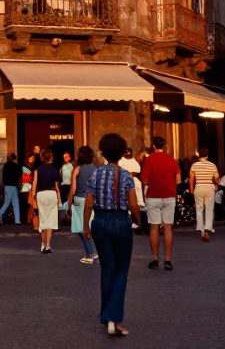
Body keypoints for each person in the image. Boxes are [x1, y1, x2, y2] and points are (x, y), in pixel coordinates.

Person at [83, 133, 140, 336]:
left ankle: (107, 316)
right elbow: (133, 204)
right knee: (121, 270)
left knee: (107, 269)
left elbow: (89, 202)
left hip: (99, 221)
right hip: (120, 222)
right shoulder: (125, 175)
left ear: (103, 152)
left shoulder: (95, 174)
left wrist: (85, 226)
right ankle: (113, 317)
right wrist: (138, 221)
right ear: (122, 153)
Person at [140, 136, 180, 270]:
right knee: (168, 227)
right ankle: (168, 260)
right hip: (169, 196)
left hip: (153, 196)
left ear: (153, 146)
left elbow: (144, 179)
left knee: (154, 228)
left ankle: (155, 259)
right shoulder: (172, 160)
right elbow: (178, 179)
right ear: (165, 146)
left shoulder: (149, 160)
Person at [69, 145, 97, 264]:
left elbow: (73, 188)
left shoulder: (77, 169)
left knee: (79, 228)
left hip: (80, 199)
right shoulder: (96, 169)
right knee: (89, 226)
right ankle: (92, 251)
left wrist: (70, 201)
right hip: (93, 199)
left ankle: (89, 253)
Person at [33, 148, 61, 253]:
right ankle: (48, 245)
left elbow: (35, 184)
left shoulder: (38, 170)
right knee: (51, 220)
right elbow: (56, 186)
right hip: (51, 194)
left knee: (42, 219)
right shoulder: (55, 169)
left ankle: (43, 243)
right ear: (51, 156)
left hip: (40, 194)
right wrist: (59, 200)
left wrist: (33, 198)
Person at [188, 147, 219, 241]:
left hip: (199, 187)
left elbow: (191, 178)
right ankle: (207, 228)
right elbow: (217, 178)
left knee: (199, 209)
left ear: (199, 155)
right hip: (209, 187)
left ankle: (201, 230)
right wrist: (217, 186)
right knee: (209, 209)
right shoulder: (212, 165)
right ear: (207, 155)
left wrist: (191, 189)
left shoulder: (194, 166)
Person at [118, 147, 143, 232]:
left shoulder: (134, 161)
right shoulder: (121, 161)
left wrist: (130, 173)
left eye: (129, 152)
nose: (128, 154)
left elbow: (138, 171)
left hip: (135, 183)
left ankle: (138, 223)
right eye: (126, 152)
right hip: (125, 183)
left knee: (137, 203)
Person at [0, 153, 22, 224]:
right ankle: (16, 219)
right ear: (15, 159)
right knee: (15, 202)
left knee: (8, 202)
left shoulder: (5, 166)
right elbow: (20, 174)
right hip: (14, 185)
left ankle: (2, 214)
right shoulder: (16, 166)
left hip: (7, 185)